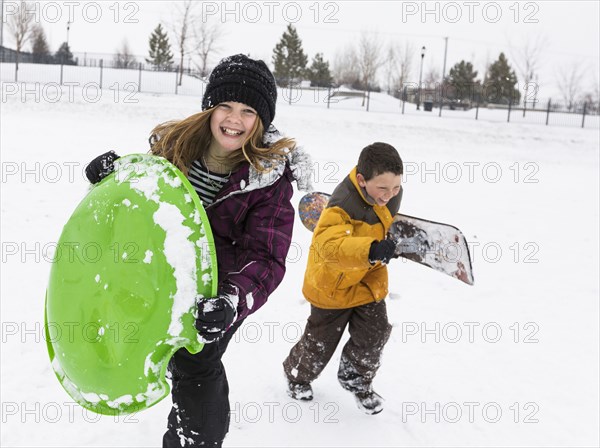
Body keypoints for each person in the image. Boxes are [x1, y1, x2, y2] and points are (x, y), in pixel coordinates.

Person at [85, 54, 312, 447]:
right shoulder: (177, 147)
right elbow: (139, 197)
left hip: (216, 295)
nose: (234, 119)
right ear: (209, 108)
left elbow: (268, 256)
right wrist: (110, 176)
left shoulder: (268, 178)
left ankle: (195, 439)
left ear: (262, 120)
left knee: (196, 360)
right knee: (164, 349)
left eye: (247, 111)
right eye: (225, 105)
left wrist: (231, 299)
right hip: (160, 274)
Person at [283, 142, 403, 415]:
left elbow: (382, 220)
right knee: (319, 344)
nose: (390, 195)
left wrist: (385, 245)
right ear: (361, 180)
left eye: (395, 187)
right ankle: (297, 375)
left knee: (375, 332)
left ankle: (356, 377)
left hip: (366, 279)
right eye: (382, 188)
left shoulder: (392, 195)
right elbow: (330, 246)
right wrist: (371, 249)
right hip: (332, 285)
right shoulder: (341, 205)